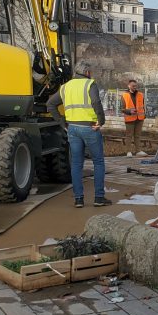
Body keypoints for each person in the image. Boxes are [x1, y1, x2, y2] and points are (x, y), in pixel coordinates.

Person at [47, 61, 109, 208]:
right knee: (98, 162)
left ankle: (79, 199)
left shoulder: (65, 86)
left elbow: (50, 104)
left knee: (76, 164)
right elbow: (96, 102)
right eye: (90, 72)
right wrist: (101, 121)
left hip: (73, 128)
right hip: (90, 127)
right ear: (87, 72)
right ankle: (99, 198)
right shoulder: (89, 84)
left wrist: (62, 123)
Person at [121, 78, 147, 157]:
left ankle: (138, 151)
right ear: (129, 86)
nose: (135, 87)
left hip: (140, 118)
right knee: (129, 135)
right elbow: (122, 108)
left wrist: (144, 114)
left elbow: (142, 105)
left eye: (136, 86)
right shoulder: (124, 95)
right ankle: (128, 151)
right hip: (130, 118)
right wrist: (129, 112)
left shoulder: (140, 94)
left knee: (137, 135)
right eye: (133, 86)